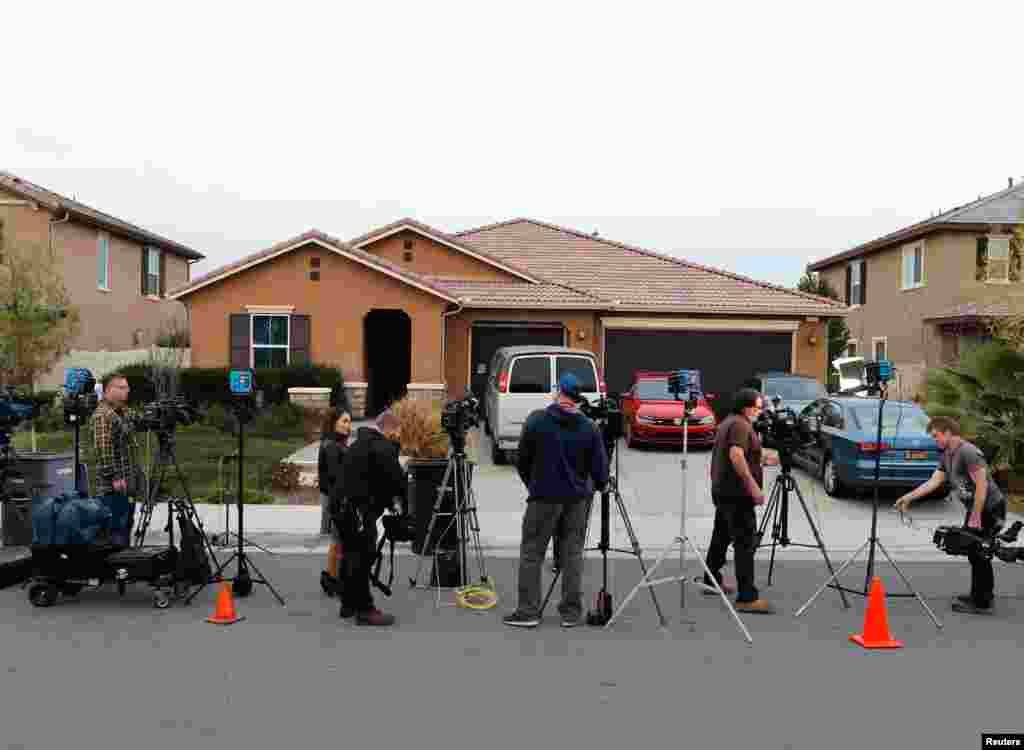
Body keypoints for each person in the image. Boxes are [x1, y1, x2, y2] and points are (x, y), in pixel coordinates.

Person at [504, 373, 609, 629]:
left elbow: (522, 461)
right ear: (576, 398)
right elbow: (601, 473)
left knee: (532, 553)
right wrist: (587, 485)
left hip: (543, 497)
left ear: (558, 392)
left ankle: (529, 611)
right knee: (572, 555)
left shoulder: (537, 420)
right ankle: (570, 612)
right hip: (576, 500)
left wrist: (535, 484)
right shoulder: (588, 427)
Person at [895, 416, 1007, 614]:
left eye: (935, 436)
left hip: (990, 508)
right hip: (976, 509)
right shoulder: (947, 455)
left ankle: (982, 602)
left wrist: (975, 517)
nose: (934, 440)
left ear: (947, 432)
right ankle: (979, 595)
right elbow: (933, 482)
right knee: (974, 552)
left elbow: (982, 485)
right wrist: (908, 497)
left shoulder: (968, 452)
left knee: (980, 552)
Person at [703, 388, 776, 614]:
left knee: (721, 536)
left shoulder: (730, 422)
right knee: (745, 543)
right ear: (746, 406)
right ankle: (747, 597)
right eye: (757, 406)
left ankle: (710, 579)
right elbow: (736, 455)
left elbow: (740, 453)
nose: (760, 410)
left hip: (724, 491)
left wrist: (762, 456)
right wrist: (753, 486)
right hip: (737, 494)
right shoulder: (741, 425)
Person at [337, 409, 408, 626]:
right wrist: (399, 503)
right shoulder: (382, 446)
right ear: (391, 429)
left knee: (350, 554)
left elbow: (374, 477)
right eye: (397, 433)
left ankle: (348, 603)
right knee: (363, 555)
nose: (398, 437)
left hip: (342, 508)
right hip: (359, 509)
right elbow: (396, 480)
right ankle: (365, 609)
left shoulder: (360, 443)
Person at [92, 373, 141, 546]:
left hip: (128, 479)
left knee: (126, 523)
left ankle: (126, 563)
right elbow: (103, 449)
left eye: (127, 387)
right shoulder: (102, 415)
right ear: (108, 391)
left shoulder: (123, 411)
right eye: (121, 387)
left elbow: (140, 420)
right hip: (113, 485)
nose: (126, 391)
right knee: (115, 528)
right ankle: (115, 565)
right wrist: (114, 477)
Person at [318, 408, 353, 598]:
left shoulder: (336, 443)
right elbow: (336, 476)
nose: (349, 425)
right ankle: (334, 579)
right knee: (339, 540)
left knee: (338, 540)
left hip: (336, 497)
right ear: (334, 423)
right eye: (344, 421)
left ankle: (335, 578)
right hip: (336, 498)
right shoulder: (332, 446)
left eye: (349, 421)